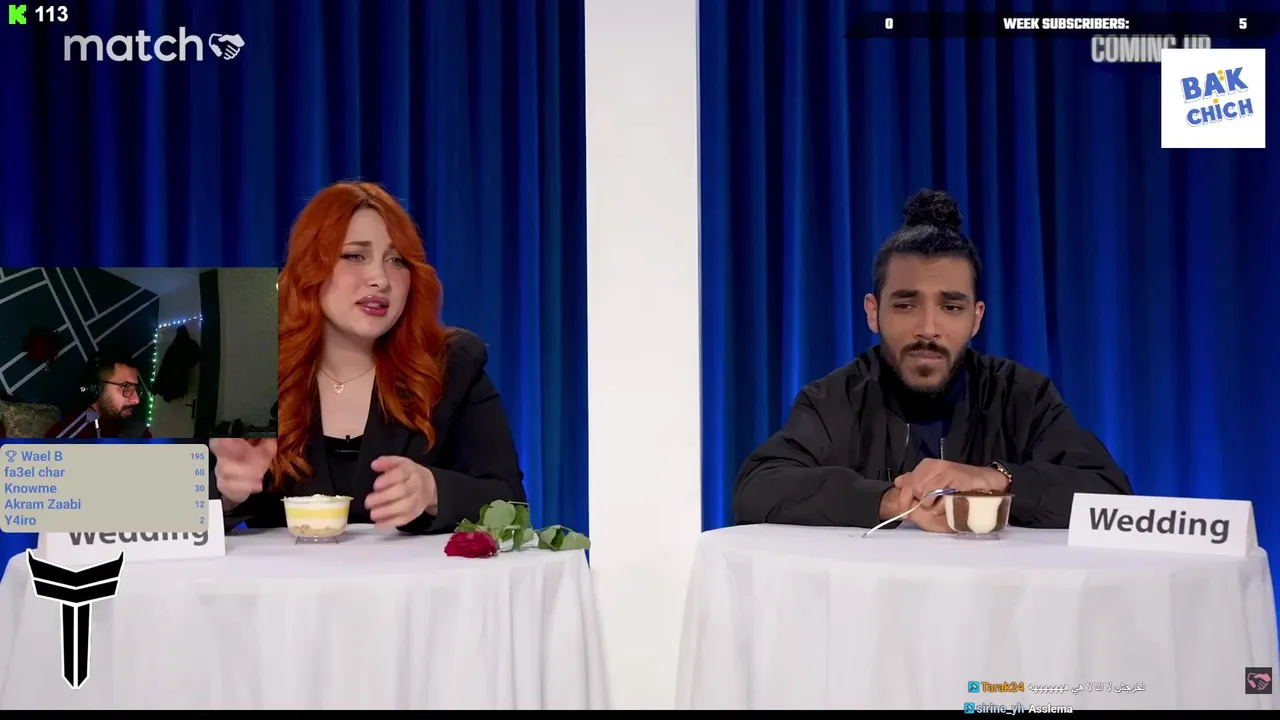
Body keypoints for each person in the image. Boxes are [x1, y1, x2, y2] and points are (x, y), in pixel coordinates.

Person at [733, 189, 1132, 532]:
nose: (927, 328)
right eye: (905, 305)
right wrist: (891, 501)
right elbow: (757, 489)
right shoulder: (834, 400)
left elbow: (1112, 499)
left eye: (951, 307)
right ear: (873, 312)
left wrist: (993, 479)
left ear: (976, 318)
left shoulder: (1023, 396)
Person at [210, 181, 526, 534]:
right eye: (354, 256)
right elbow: (163, 510)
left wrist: (433, 491)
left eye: (396, 261)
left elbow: (511, 503)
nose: (380, 279)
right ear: (309, 267)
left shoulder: (452, 365)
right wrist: (224, 491)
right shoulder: (247, 367)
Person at [45, 350, 153, 439]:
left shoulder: (137, 429)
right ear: (96, 388)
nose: (136, 400)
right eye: (126, 387)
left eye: (136, 389)